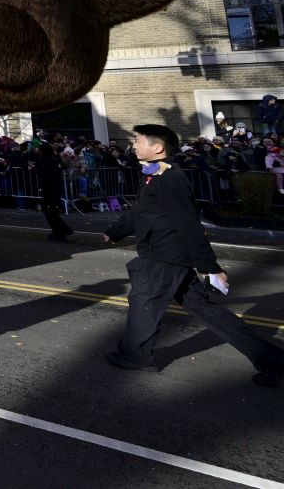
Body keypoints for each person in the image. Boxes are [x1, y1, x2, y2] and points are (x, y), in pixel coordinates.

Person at [103, 124, 284, 386]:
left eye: (138, 141)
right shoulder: (156, 174)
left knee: (143, 304)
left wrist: (209, 266)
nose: (134, 145)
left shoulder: (171, 178)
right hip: (167, 255)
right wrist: (115, 231)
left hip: (164, 256)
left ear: (157, 148)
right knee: (209, 312)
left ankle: (136, 355)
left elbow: (187, 223)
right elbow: (141, 211)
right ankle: (274, 361)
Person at [35, 144, 74, 241]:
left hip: (51, 190)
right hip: (49, 190)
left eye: (40, 150)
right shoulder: (49, 160)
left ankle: (61, 230)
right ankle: (58, 230)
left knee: (50, 212)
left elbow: (51, 177)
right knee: (50, 212)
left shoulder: (51, 161)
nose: (38, 152)